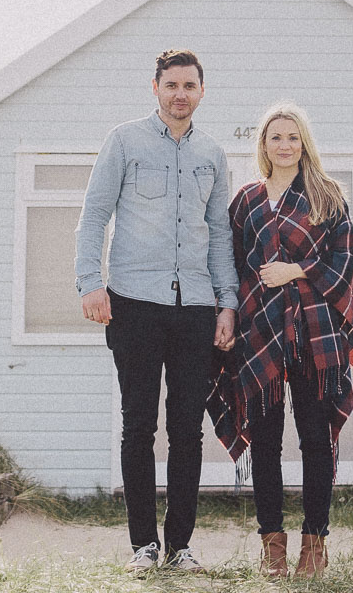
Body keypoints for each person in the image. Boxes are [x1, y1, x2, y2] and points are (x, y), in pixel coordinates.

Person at [76, 49, 236, 575]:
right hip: (134, 304)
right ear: (155, 87)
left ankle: (180, 545)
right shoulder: (124, 141)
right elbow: (95, 214)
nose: (180, 94)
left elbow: (219, 239)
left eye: (190, 85)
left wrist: (226, 304)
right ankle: (143, 545)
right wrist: (90, 285)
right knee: (138, 425)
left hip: (193, 307)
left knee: (188, 430)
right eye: (172, 85)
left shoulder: (212, 155)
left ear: (201, 92)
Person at [208, 102, 353, 579]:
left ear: (304, 143)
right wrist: (228, 313)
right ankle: (272, 548)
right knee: (266, 444)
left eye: (293, 137)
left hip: (317, 337)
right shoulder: (247, 202)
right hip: (260, 337)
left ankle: (314, 548)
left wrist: (295, 270)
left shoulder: (327, 196)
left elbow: (345, 260)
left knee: (318, 442)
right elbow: (233, 266)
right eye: (275, 137)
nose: (285, 145)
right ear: (263, 144)